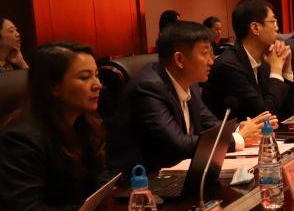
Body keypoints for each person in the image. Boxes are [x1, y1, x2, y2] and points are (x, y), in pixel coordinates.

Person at [108, 21, 266, 174]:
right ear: (179, 59)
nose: (212, 61)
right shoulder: (148, 88)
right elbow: (178, 143)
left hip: (177, 173)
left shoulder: (190, 83)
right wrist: (238, 138)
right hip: (142, 182)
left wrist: (243, 128)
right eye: (205, 53)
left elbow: (209, 123)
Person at [0, 42, 107, 211]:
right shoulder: (21, 138)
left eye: (96, 75)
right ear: (54, 87)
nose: (98, 85)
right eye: (84, 77)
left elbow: (100, 181)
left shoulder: (86, 123)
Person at [202, 0, 294, 120]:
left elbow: (287, 112)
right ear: (255, 28)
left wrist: (286, 70)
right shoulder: (229, 65)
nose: (277, 28)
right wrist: (276, 70)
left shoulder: (264, 62)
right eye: (273, 22)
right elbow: (265, 116)